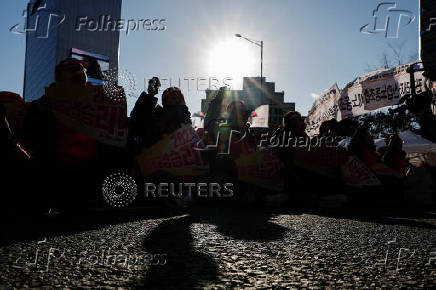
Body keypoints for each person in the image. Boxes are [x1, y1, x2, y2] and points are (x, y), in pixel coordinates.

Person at [129, 77, 161, 150]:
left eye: (158, 86)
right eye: (157, 86)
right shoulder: (146, 98)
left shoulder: (149, 99)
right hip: (139, 131)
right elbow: (144, 115)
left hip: (140, 131)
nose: (158, 89)